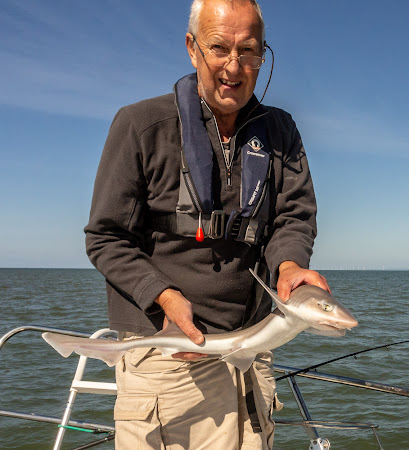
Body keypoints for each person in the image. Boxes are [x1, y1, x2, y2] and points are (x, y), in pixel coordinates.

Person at [84, 0, 329, 447]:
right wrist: (162, 294)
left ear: (262, 55)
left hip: (251, 351)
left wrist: (290, 265)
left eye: (249, 51)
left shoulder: (281, 132)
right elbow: (105, 237)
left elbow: (293, 216)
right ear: (192, 48)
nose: (233, 67)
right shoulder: (140, 125)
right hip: (167, 353)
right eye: (219, 48)